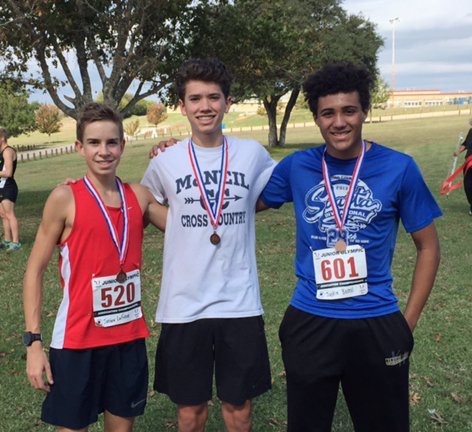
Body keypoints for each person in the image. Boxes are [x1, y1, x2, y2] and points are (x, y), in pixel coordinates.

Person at [258, 62, 442, 432]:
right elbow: (242, 199)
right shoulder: (298, 167)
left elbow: (428, 248)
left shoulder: (399, 168)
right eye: (328, 113)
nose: (338, 122)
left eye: (348, 111)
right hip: (310, 321)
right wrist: (185, 151)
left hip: (376, 320)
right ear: (316, 117)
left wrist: (405, 324)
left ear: (364, 112)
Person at [141, 58, 275, 432]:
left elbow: (276, 191)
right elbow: (145, 202)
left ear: (228, 102)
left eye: (213, 97)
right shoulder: (165, 160)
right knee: (190, 412)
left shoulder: (253, 154)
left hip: (239, 301)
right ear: (181, 106)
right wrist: (181, 227)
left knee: (239, 409)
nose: (205, 107)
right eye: (195, 98)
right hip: (184, 304)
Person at [23, 103, 167, 432]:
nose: (104, 151)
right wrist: (33, 343)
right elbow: (34, 270)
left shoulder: (140, 196)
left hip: (128, 340)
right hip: (77, 342)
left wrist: (174, 158)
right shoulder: (64, 198)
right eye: (94, 143)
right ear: (79, 147)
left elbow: (186, 227)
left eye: (111, 142)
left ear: (123, 145)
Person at [0, 127, 21, 251]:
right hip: (1, 186)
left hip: (8, 187)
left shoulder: (8, 151)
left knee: (9, 214)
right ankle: (7, 241)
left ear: (2, 138)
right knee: (3, 215)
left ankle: (16, 242)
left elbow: (8, 172)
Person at [452, 119, 472, 215]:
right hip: (468, 164)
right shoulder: (471, 131)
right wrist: (458, 151)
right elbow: (465, 144)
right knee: (468, 185)